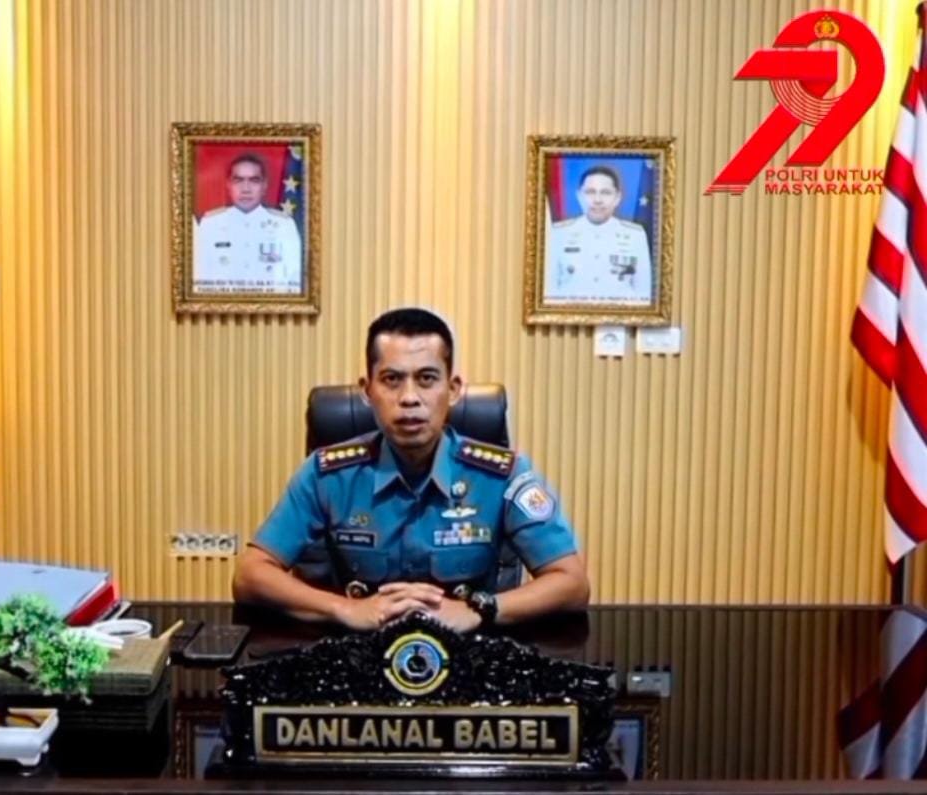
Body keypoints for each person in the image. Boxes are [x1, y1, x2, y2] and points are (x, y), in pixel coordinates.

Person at [233, 308, 590, 633]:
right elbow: (250, 575)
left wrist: (477, 610)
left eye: (427, 378)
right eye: (391, 379)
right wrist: (344, 608)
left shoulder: (502, 475)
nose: (409, 398)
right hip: (357, 658)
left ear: (453, 390)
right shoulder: (327, 474)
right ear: (367, 390)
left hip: (467, 659)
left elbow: (571, 584)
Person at [193, 153, 302, 294]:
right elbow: (199, 279)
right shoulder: (210, 225)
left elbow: (295, 280)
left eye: (254, 180)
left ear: (264, 186)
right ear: (228, 185)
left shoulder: (284, 225)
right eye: (238, 180)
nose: (246, 189)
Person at [544, 164, 653, 304]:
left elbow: (643, 294)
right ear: (579, 196)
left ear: (617, 197)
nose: (597, 200)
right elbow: (549, 291)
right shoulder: (559, 233)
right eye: (590, 192)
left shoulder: (635, 235)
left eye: (606, 192)